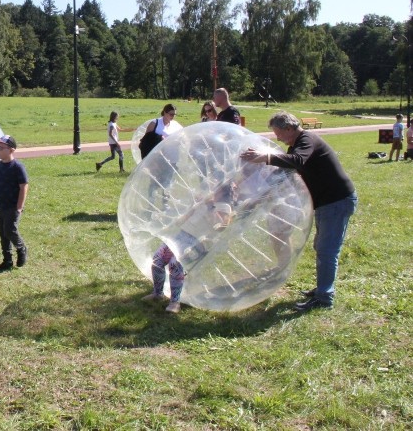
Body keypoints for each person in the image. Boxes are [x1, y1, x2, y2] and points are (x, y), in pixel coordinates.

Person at [241, 111, 357, 311]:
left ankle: (324, 298)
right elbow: (285, 171)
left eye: (278, 133)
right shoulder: (297, 144)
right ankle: (322, 289)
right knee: (322, 248)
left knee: (327, 251)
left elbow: (297, 161)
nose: (277, 138)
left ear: (288, 128)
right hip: (327, 203)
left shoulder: (307, 140)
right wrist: (256, 196)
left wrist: (265, 157)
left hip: (336, 201)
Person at [143, 183, 234, 313]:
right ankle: (157, 294)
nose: (212, 189)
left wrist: (209, 205)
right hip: (181, 236)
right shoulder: (205, 201)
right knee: (157, 260)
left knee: (175, 264)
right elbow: (182, 221)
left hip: (198, 243)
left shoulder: (225, 207)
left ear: (223, 191)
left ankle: (175, 302)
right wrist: (194, 205)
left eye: (216, 188)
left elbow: (220, 226)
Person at [0, 135, 29, 271]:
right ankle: (7, 260)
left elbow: (24, 187)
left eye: (1, 148)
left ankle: (21, 248)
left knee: (10, 230)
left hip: (13, 206)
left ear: (11, 150)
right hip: (0, 205)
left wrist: (19, 207)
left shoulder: (17, 167)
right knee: (2, 233)